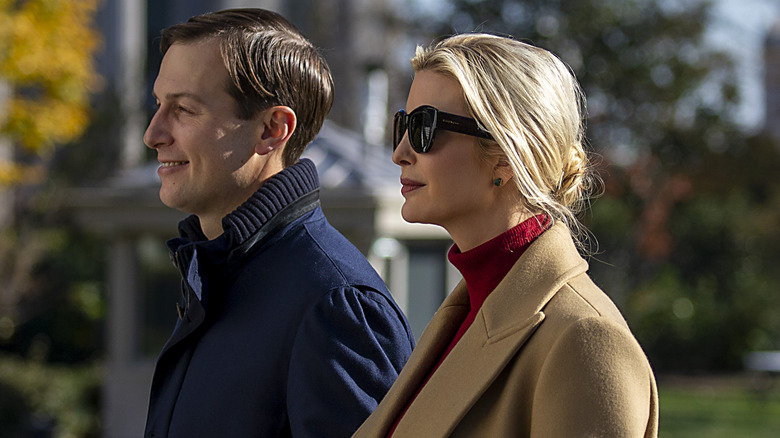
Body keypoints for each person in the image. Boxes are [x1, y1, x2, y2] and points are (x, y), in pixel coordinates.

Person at [353, 33, 659, 437]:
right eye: (403, 125)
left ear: (506, 154)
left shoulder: (585, 341)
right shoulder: (464, 312)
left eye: (424, 127)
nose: (400, 152)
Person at [142, 9, 414, 438]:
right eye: (159, 104)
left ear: (272, 129)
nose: (153, 133)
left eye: (184, 110)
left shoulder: (336, 306)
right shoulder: (216, 274)